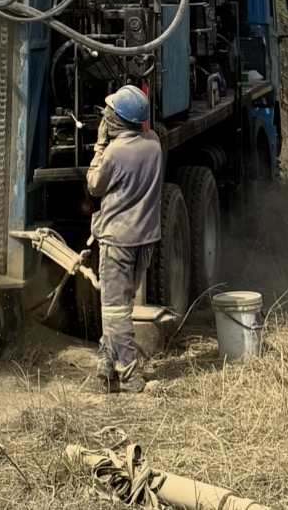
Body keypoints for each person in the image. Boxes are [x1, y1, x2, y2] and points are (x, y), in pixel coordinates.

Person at [86, 83, 163, 393]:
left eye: (110, 113)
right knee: (121, 304)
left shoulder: (115, 152)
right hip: (145, 238)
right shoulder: (154, 144)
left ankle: (129, 376)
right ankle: (107, 361)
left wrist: (99, 145)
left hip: (117, 240)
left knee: (115, 310)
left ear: (117, 120)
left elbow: (94, 185)